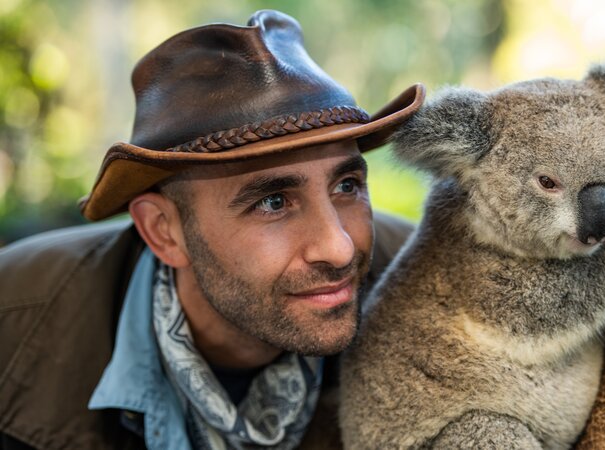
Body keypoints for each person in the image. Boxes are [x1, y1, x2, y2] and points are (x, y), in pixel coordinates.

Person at [0, 9, 424, 450]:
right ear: (163, 231)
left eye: (347, 185)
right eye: (273, 202)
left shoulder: (429, 285)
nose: (338, 248)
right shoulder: (14, 324)